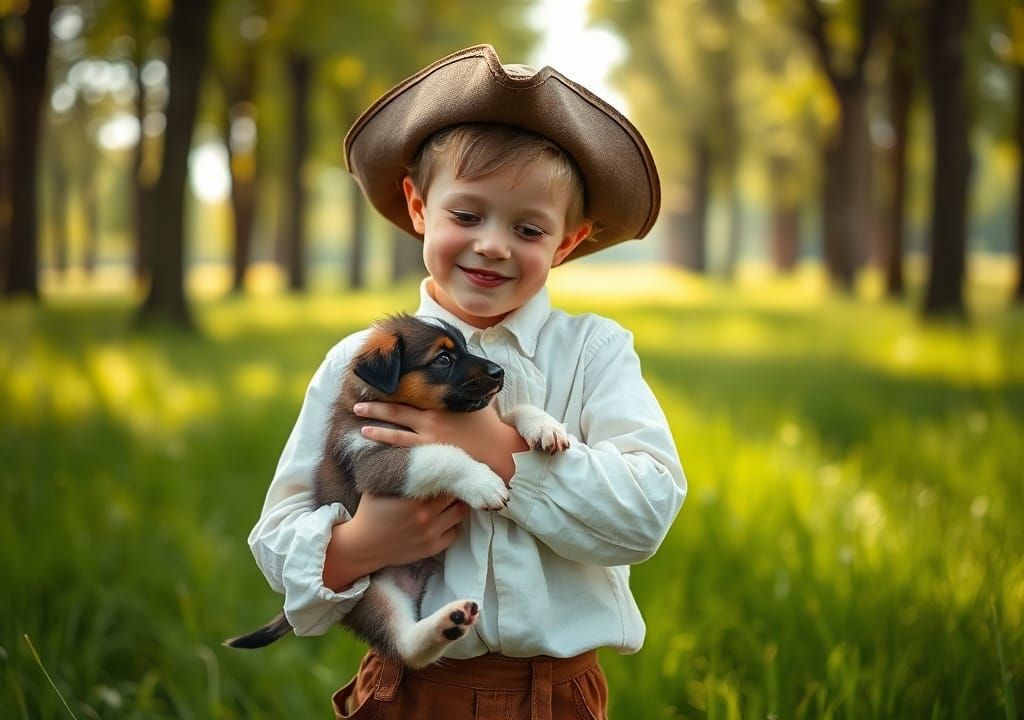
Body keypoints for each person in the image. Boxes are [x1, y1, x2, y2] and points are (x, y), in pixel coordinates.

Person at [247, 44, 686, 719]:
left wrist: (496, 449)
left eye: (529, 228)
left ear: (567, 242)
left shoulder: (594, 354)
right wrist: (359, 546)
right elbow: (277, 536)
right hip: (407, 688)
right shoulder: (359, 363)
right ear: (419, 207)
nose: (493, 245)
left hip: (554, 695)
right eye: (467, 215)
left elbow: (646, 515)